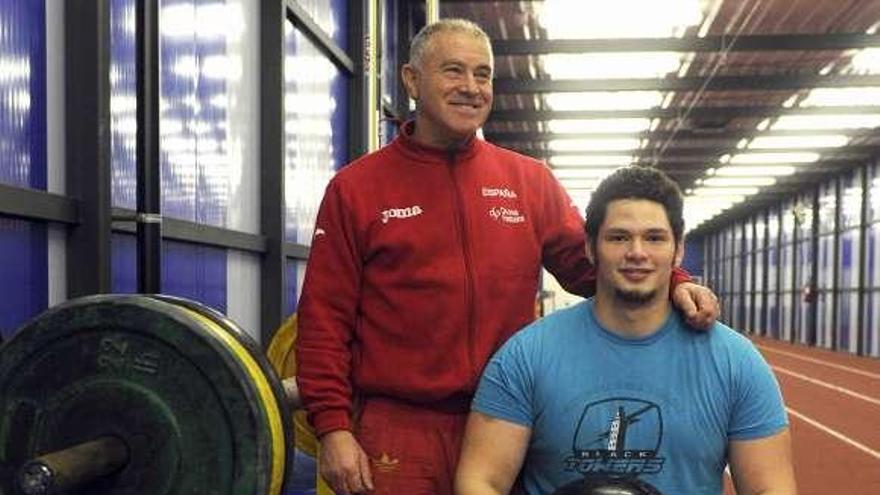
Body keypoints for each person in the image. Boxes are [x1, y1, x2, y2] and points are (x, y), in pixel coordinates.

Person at [295, 18, 720, 495]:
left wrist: (676, 280)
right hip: (400, 430)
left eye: (483, 74)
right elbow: (323, 319)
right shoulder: (356, 189)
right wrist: (333, 428)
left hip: (507, 420)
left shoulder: (529, 182)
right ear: (412, 80)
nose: (471, 88)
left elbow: (593, 265)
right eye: (453, 71)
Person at [455, 167, 796, 495]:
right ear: (590, 247)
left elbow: (770, 487)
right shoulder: (525, 357)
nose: (637, 252)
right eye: (619, 237)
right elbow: (481, 481)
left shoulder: (737, 363)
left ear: (678, 249)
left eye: (654, 238)